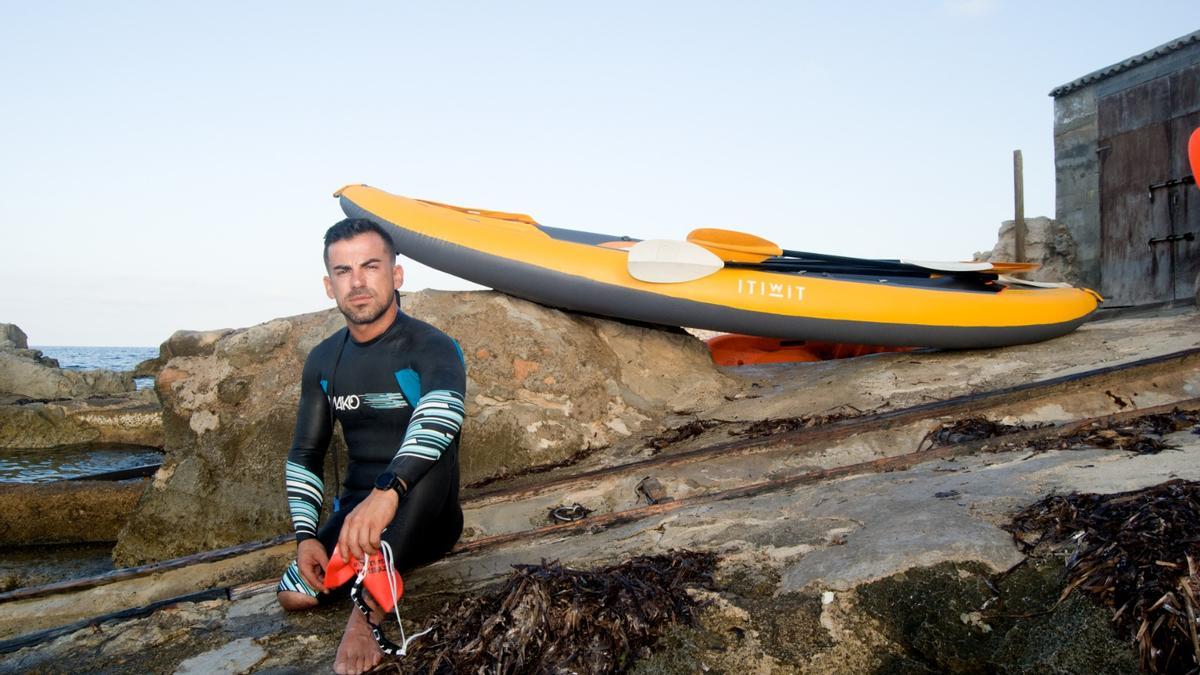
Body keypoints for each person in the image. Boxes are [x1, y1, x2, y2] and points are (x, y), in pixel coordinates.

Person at [275, 218, 466, 675]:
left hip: (426, 510)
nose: (357, 282)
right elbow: (306, 453)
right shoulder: (323, 359)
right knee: (295, 591)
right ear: (329, 285)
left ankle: (368, 613)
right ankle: (372, 560)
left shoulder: (431, 346)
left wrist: (387, 493)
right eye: (343, 271)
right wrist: (305, 538)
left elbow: (443, 416)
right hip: (359, 516)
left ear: (396, 276)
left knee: (435, 448)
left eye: (370, 266)